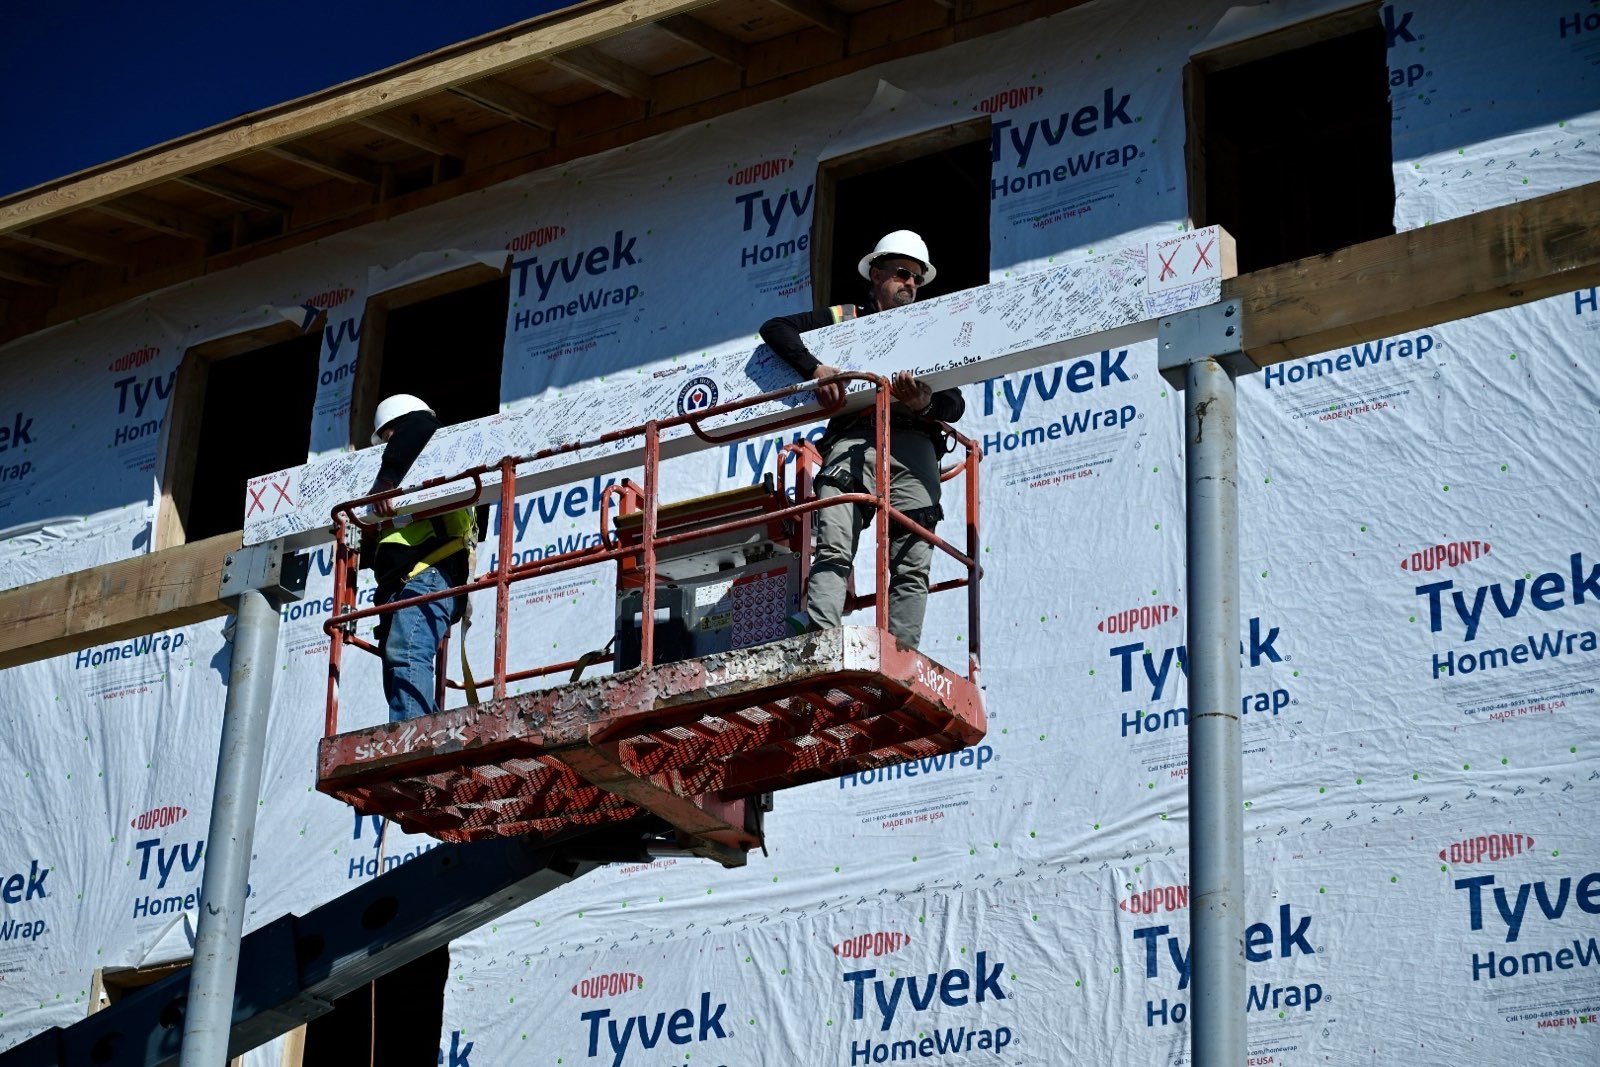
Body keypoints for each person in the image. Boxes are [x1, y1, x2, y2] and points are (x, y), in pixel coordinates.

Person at [759, 230, 965, 649]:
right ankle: (819, 638)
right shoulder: (846, 319)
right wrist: (816, 370)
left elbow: (953, 403)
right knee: (834, 540)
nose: (910, 283)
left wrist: (925, 402)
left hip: (912, 445)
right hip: (854, 439)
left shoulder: (929, 331)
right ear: (876, 275)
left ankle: (902, 655)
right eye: (902, 273)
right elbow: (776, 329)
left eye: (917, 278)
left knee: (913, 558)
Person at [362, 394, 478, 721]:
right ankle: (423, 736)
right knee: (398, 669)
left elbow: (420, 424)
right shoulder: (398, 497)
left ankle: (413, 744)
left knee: (407, 653)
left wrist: (387, 478)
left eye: (390, 440)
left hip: (429, 573)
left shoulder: (428, 439)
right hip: (400, 586)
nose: (388, 449)